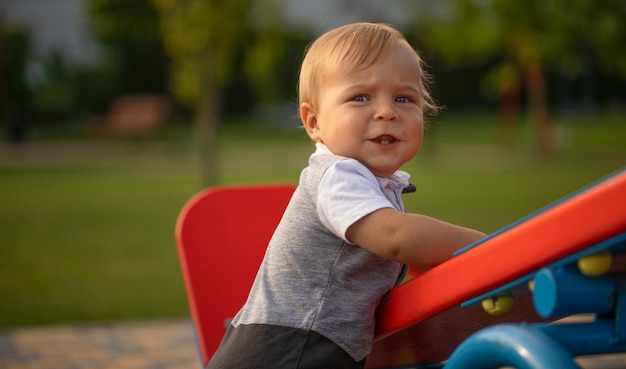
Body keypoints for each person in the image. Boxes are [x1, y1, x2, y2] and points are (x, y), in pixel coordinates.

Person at [207, 22, 487, 369]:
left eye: (404, 98)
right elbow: (396, 238)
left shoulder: (371, 185)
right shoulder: (338, 176)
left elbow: (408, 259)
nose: (387, 111)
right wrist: (490, 247)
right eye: (360, 97)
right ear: (314, 122)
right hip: (285, 350)